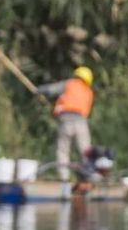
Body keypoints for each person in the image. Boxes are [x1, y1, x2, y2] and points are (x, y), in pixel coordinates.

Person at [38, 67, 94, 199]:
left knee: (63, 151)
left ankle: (64, 180)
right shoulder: (89, 91)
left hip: (66, 121)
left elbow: (51, 89)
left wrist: (40, 90)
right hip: (81, 122)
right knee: (86, 152)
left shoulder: (70, 84)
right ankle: (88, 180)